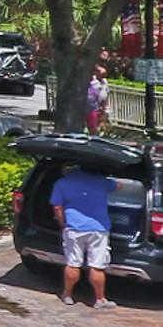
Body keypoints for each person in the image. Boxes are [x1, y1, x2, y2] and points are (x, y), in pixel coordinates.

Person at [51, 162, 119, 309]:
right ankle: (100, 299)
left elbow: (57, 207)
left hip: (74, 227)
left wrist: (63, 224)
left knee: (73, 263)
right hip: (98, 228)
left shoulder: (62, 183)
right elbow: (119, 186)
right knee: (97, 265)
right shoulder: (102, 182)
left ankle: (68, 295)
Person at [86, 62, 110, 134]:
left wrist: (106, 108)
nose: (103, 74)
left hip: (100, 108)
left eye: (104, 74)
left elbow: (106, 94)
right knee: (93, 127)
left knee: (101, 127)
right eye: (100, 72)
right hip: (91, 108)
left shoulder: (105, 82)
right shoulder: (92, 82)